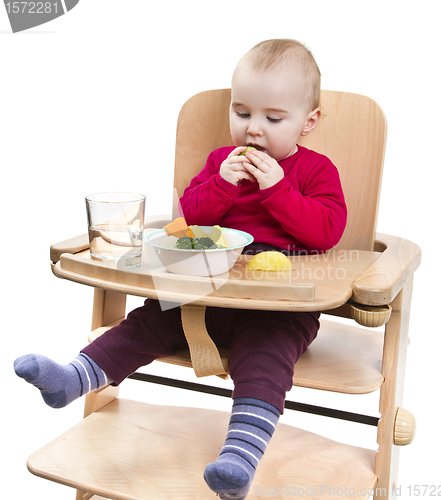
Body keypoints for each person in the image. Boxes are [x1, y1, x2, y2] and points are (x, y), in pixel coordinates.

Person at [14, 39, 347, 500]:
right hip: (205, 293)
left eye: (273, 119)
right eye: (242, 112)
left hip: (279, 306)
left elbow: (327, 231)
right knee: (150, 318)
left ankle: (239, 458)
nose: (253, 130)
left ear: (307, 123)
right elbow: (188, 218)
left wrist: (278, 190)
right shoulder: (219, 163)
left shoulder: (314, 171)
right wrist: (222, 184)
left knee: (265, 356)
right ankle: (74, 377)